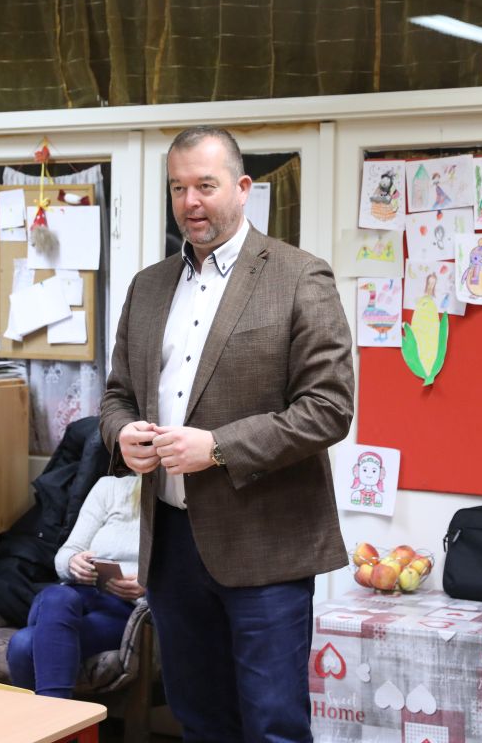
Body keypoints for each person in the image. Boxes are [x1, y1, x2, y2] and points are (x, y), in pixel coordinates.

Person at [100, 126, 355, 742]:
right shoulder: (147, 286)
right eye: (177, 188)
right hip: (171, 547)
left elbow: (328, 408)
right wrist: (122, 434)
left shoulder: (299, 276)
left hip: (265, 545)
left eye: (205, 186)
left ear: (243, 188)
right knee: (199, 722)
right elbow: (116, 396)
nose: (190, 202)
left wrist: (217, 448)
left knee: (272, 728)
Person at [6, 475, 143, 697]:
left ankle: (50, 716)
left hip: (123, 611)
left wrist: (149, 586)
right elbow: (67, 552)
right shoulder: (109, 487)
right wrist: (73, 562)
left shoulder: (182, 502)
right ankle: (60, 716)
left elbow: (186, 579)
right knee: (58, 596)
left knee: (23, 644)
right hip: (74, 597)